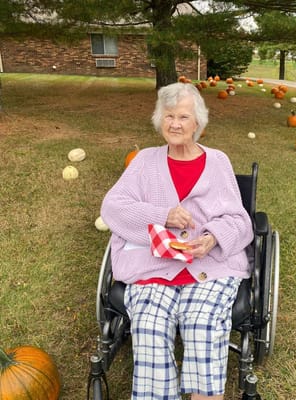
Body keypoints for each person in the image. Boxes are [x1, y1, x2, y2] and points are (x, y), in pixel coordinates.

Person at [101, 82, 254, 400]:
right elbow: (113, 208)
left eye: (183, 116)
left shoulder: (218, 162)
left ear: (197, 123)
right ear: (159, 120)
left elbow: (239, 220)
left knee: (201, 324)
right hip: (154, 266)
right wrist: (162, 215)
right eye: (168, 115)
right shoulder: (144, 161)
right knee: (149, 325)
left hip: (208, 266)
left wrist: (212, 238)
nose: (174, 124)